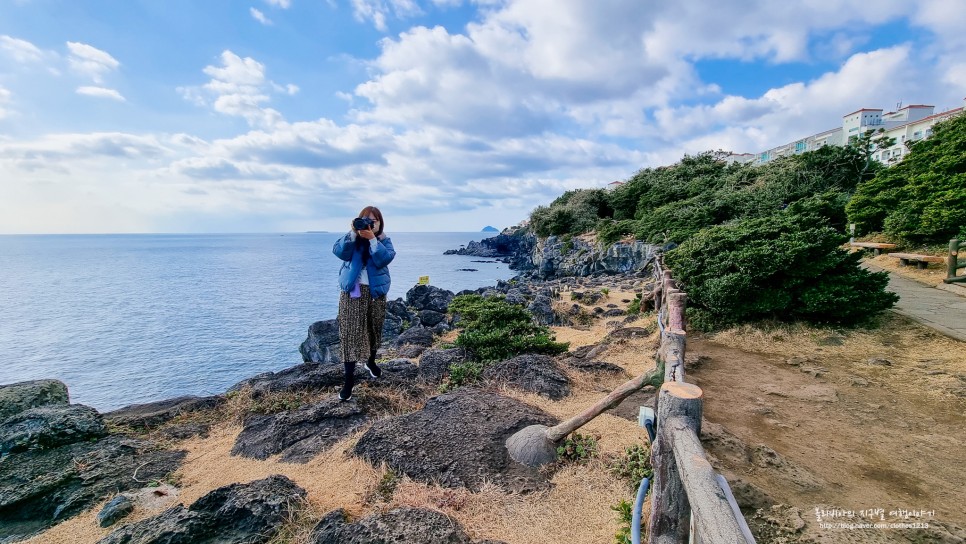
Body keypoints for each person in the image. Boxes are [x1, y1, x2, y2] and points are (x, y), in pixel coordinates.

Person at [332, 206, 395, 401]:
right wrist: (353, 232)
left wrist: (373, 239)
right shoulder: (352, 239)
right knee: (350, 333)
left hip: (376, 292)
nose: (369, 224)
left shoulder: (384, 240)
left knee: (374, 328)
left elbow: (385, 258)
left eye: (373, 221)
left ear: (380, 223)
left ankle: (371, 361)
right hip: (353, 291)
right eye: (365, 220)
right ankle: (349, 382)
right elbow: (339, 252)